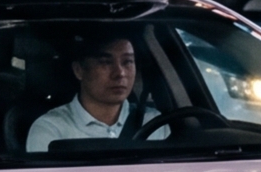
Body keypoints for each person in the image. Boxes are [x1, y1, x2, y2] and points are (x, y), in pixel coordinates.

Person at [25, 32, 169, 151]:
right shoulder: (51, 129)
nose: (120, 73)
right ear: (79, 70)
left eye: (127, 62)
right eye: (106, 62)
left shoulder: (154, 123)